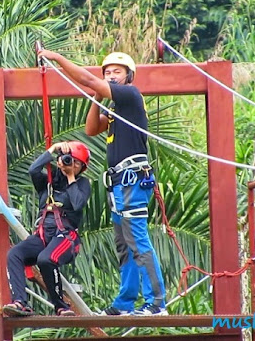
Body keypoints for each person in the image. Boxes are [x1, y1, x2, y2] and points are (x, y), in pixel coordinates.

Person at [38, 50, 167, 316]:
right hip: (119, 185)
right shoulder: (118, 112)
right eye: (107, 73)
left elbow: (86, 79)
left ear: (128, 76)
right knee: (124, 245)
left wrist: (58, 58)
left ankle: (156, 302)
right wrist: (97, 94)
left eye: (116, 72)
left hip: (132, 182)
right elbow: (90, 128)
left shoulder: (131, 96)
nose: (111, 76)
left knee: (138, 240)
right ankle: (125, 303)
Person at [3, 141, 92, 317]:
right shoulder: (48, 183)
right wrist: (53, 150)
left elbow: (77, 203)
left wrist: (71, 177)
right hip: (43, 236)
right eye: (68, 159)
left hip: (66, 237)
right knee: (14, 254)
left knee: (46, 259)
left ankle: (61, 306)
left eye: (76, 163)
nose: (70, 164)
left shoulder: (82, 184)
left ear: (81, 168)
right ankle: (20, 302)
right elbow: (33, 170)